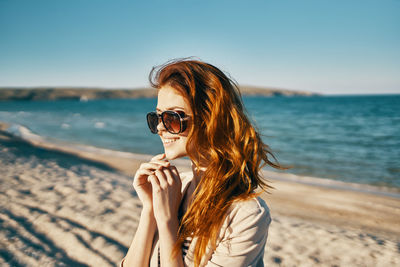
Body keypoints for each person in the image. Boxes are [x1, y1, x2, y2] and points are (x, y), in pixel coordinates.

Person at [121, 58, 282, 267]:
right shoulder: (176, 188)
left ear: (210, 119)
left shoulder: (246, 215)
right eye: (158, 117)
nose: (160, 127)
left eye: (172, 117)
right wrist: (150, 209)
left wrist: (168, 222)